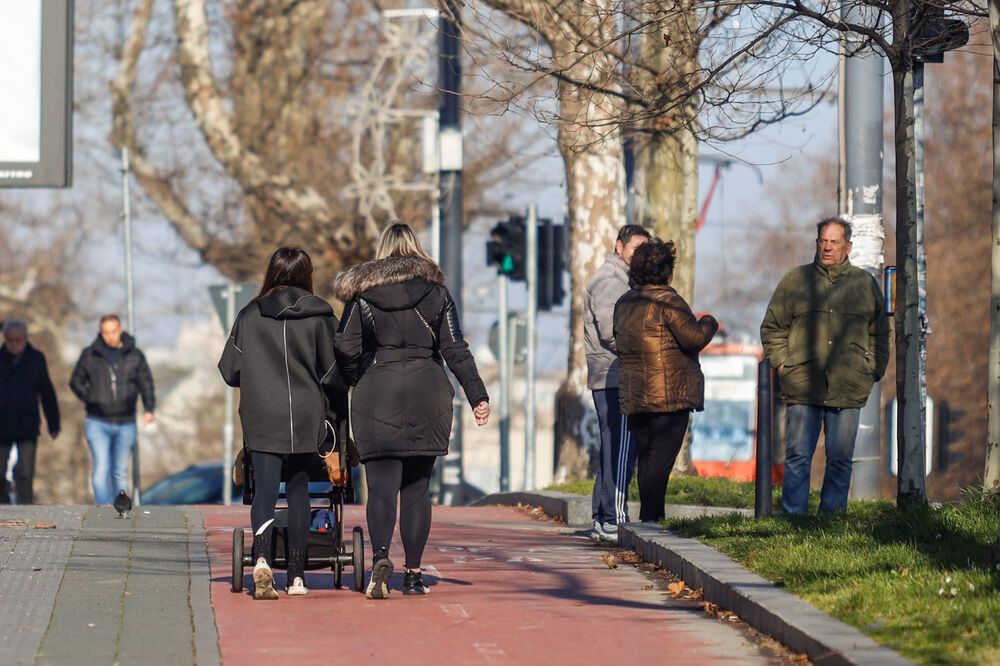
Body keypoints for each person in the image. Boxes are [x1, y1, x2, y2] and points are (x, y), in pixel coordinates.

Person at [334, 222, 489, 599]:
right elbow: (455, 348)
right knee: (418, 489)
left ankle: (381, 559)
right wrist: (477, 395)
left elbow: (345, 349)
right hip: (428, 393)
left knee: (381, 488)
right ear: (417, 248)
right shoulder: (437, 293)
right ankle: (415, 575)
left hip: (377, 392)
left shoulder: (363, 296)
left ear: (382, 250)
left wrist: (359, 378)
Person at [218, 247, 347, 599]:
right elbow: (335, 375)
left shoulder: (249, 315)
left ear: (271, 273)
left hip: (263, 415)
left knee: (264, 491)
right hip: (306, 415)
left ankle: (260, 559)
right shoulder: (322, 318)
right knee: (298, 491)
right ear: (307, 275)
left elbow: (229, 370)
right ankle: (296, 576)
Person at [760, 217, 890, 514]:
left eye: (834, 242)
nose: (827, 247)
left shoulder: (864, 284)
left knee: (841, 459)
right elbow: (772, 327)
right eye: (823, 241)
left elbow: (880, 333)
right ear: (816, 243)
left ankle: (831, 520)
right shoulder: (796, 280)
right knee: (797, 456)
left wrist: (873, 370)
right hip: (803, 384)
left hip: (848, 385)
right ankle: (794, 518)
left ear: (848, 247)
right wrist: (783, 365)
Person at [613, 239, 718, 523]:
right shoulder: (668, 300)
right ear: (666, 271)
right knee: (659, 462)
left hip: (636, 396)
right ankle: (651, 522)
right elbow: (694, 338)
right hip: (668, 396)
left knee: (647, 461)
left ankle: (650, 522)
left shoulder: (624, 303)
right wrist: (709, 322)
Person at [583, 224, 650, 542]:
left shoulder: (619, 280)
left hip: (608, 376)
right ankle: (615, 519)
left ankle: (602, 517)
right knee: (622, 448)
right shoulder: (612, 281)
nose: (640, 255)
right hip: (615, 375)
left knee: (611, 449)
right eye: (636, 248)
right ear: (619, 247)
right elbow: (613, 332)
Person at [70, 314, 154, 507]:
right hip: (97, 420)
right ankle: (103, 506)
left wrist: (149, 409)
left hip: (126, 421)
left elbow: (146, 383)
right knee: (101, 467)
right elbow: (75, 381)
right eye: (105, 332)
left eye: (113, 331)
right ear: (101, 332)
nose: (110, 336)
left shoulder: (135, 355)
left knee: (120, 470)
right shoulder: (90, 354)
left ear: (120, 330)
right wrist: (91, 397)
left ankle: (120, 506)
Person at [0, 319, 60, 504]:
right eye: (10, 340)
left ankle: (24, 508)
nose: (14, 344)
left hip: (27, 424)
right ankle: (4, 507)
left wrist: (54, 423)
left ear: (26, 339)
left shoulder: (36, 359)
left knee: (25, 472)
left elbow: (47, 391)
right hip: (2, 423)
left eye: (18, 340)